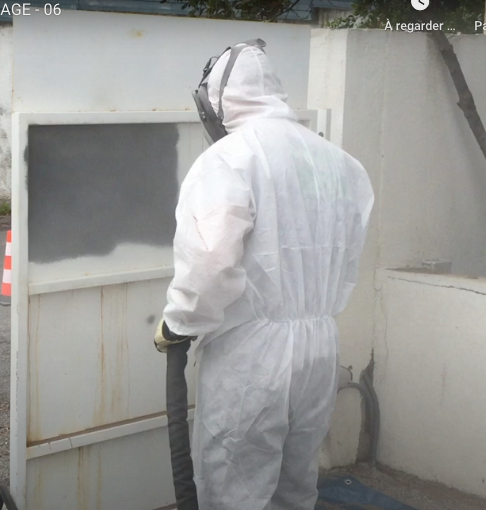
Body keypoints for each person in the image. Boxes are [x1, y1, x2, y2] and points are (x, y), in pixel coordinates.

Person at [154, 40, 375, 509]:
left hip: (253, 356)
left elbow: (211, 262)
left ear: (216, 103)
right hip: (319, 347)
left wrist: (178, 323)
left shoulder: (230, 158)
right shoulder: (340, 163)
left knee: (235, 487)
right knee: (296, 486)